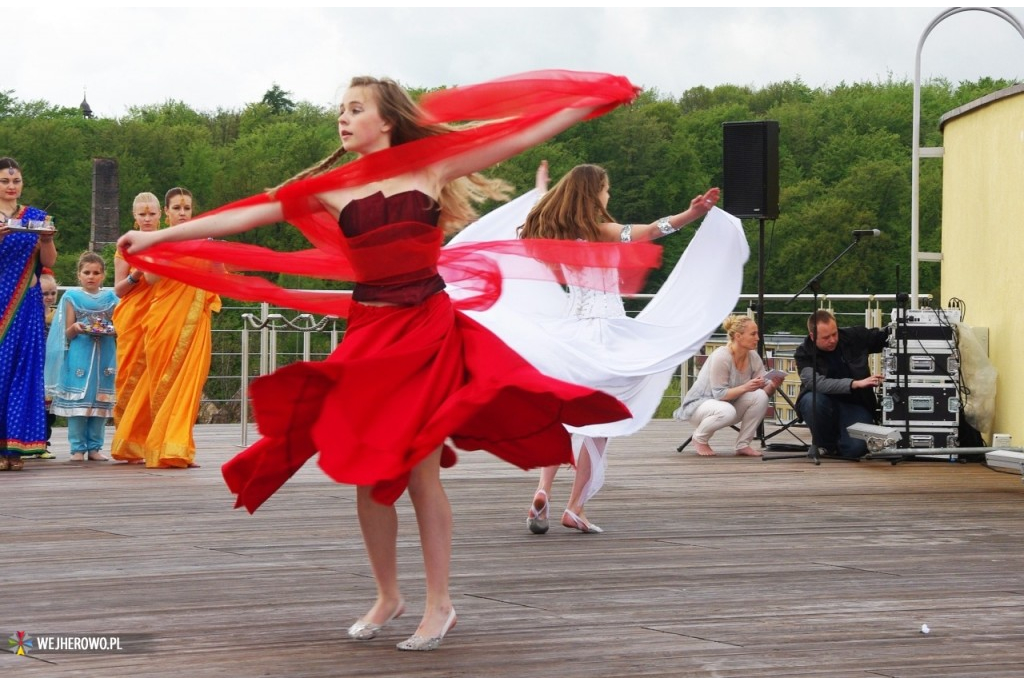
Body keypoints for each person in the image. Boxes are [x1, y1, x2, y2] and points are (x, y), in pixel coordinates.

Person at [118, 72, 640, 651]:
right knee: (367, 471)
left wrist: (590, 102)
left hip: (428, 330)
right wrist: (161, 240)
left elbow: (517, 135)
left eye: (355, 108)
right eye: (339, 109)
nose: (342, 118)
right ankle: (388, 595)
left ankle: (440, 604)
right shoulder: (330, 187)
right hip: (370, 337)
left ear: (386, 120)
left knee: (418, 468)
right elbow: (243, 216)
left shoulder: (430, 166)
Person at [449, 163, 749, 534]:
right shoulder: (601, 232)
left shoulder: (555, 235)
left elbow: (534, 220)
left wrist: (540, 190)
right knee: (601, 420)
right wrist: (692, 213)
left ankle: (543, 490)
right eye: (606, 189)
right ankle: (575, 507)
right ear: (594, 193)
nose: (609, 195)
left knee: (563, 416)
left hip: (570, 335)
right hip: (606, 334)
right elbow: (653, 231)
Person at [111, 188, 221, 468]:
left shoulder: (203, 241)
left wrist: (214, 249)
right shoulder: (159, 243)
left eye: (187, 208)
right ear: (168, 213)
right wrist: (173, 247)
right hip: (164, 320)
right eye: (177, 208)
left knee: (190, 385)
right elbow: (151, 277)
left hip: (196, 320)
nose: (183, 213)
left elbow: (219, 279)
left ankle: (178, 446)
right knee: (163, 383)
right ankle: (159, 445)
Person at [0, 157, 57, 472]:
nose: (11, 186)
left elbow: (49, 260)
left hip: (28, 303)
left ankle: (16, 448)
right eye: (5, 182)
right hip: (0, 300)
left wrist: (46, 239)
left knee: (26, 370)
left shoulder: (35, 217)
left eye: (16, 181)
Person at [45, 252, 119, 461]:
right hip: (80, 355)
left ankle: (95, 448)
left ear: (103, 275)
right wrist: (76, 327)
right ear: (79, 275)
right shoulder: (71, 297)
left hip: (105, 355)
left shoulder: (112, 298)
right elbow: (66, 332)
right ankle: (77, 448)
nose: (91, 276)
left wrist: (113, 330)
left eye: (96, 273)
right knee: (78, 403)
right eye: (86, 272)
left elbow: (119, 327)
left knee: (101, 400)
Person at [676, 314, 782, 457]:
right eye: (753, 334)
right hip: (700, 406)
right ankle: (699, 438)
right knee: (727, 410)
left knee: (760, 396)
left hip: (729, 405)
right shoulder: (722, 356)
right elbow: (720, 395)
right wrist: (747, 387)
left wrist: (773, 385)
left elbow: (764, 392)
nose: (757, 338)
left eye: (757, 333)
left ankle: (743, 445)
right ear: (738, 336)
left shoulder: (753, 357)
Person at [795, 309, 888, 458]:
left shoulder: (854, 336)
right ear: (812, 337)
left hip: (855, 404)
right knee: (812, 400)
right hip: (824, 403)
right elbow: (816, 383)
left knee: (855, 450)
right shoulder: (803, 353)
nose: (832, 340)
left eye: (834, 333)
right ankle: (826, 445)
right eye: (826, 337)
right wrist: (854, 384)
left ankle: (840, 441)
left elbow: (883, 337)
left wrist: (902, 325)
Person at [110, 192, 159, 460]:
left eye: (152, 214)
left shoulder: (168, 241)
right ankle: (128, 442)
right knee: (129, 377)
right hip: (133, 315)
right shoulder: (126, 245)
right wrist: (135, 274)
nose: (147, 219)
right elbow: (118, 290)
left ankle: (153, 440)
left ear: (160, 215)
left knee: (157, 377)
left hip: (161, 313)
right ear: (134, 217)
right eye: (142, 214)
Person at [39, 270, 60, 460]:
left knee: (48, 410)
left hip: (52, 366)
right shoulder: (32, 316)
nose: (49, 297)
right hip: (36, 365)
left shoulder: (58, 316)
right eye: (44, 293)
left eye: (52, 293)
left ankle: (44, 443)